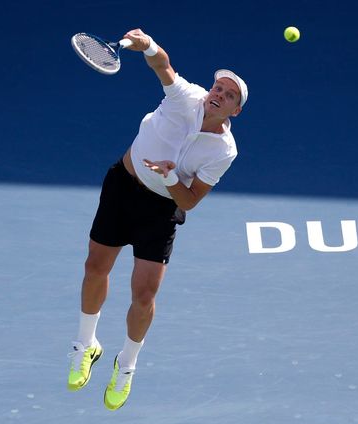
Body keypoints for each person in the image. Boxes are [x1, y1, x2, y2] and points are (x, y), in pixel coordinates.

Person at [66, 28, 247, 410]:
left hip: (161, 210)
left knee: (144, 295)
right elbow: (162, 65)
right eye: (219, 88)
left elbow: (191, 199)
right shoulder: (186, 97)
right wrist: (145, 43)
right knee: (96, 266)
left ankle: (126, 364)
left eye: (229, 95)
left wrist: (169, 177)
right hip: (123, 187)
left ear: (235, 111)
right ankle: (86, 344)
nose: (219, 94)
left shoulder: (224, 151)